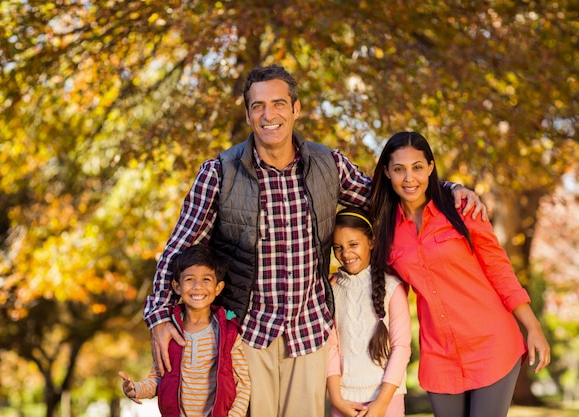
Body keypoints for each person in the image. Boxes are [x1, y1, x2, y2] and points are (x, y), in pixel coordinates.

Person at [143, 64, 485, 416]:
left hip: (307, 335)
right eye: (258, 106)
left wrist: (448, 188)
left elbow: (389, 194)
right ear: (248, 114)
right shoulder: (219, 173)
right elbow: (181, 246)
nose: (268, 114)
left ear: (296, 109)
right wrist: (158, 316)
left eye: (278, 103)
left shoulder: (328, 165)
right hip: (245, 336)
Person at [367, 131, 551, 417]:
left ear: (430, 167)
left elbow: (499, 269)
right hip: (439, 354)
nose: (409, 178)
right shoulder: (386, 232)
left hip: (491, 342)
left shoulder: (462, 209)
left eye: (417, 167)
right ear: (387, 172)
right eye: (399, 169)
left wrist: (532, 327)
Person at [120, 244, 250, 417]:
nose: (197, 286)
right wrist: (136, 388)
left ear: (218, 288)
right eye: (189, 279)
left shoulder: (228, 332)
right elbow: (159, 378)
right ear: (177, 286)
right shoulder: (168, 332)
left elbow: (242, 383)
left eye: (206, 279)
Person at [327, 207, 411, 417]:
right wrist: (337, 399)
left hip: (387, 399)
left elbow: (401, 348)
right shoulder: (332, 290)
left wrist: (382, 403)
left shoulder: (392, 289)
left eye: (353, 244)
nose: (345, 254)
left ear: (371, 241)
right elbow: (330, 348)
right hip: (345, 401)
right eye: (338, 247)